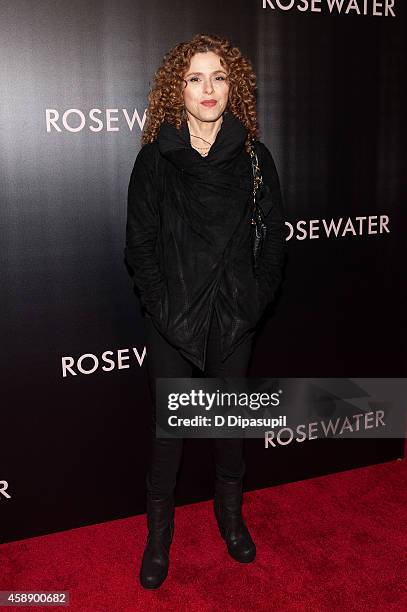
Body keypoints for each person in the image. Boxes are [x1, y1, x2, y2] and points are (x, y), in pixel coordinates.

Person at [124, 33, 286, 589]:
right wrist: (161, 305)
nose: (208, 88)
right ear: (179, 90)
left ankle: (231, 519)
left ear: (232, 86)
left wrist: (254, 301)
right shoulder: (156, 161)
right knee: (169, 430)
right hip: (172, 317)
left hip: (234, 314)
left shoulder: (253, 158)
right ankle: (158, 536)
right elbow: (139, 246)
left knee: (229, 426)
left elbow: (274, 243)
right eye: (195, 77)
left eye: (219, 76)